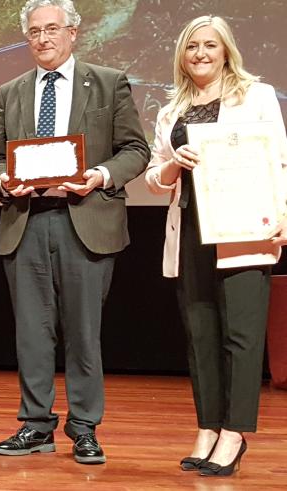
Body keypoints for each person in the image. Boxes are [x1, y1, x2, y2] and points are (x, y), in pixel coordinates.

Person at [0, 0, 149, 465]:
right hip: (27, 221)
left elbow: (135, 149)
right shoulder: (10, 91)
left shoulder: (107, 82)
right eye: (35, 31)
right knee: (32, 334)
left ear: (74, 32)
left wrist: (98, 174)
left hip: (86, 218)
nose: (43, 38)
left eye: (52, 28)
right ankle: (36, 425)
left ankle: (84, 428)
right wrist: (3, 181)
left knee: (83, 333)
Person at [144, 15, 287, 477]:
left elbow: (279, 157)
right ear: (181, 56)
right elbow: (153, 173)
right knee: (200, 332)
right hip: (189, 226)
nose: (200, 53)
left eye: (209, 45)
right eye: (191, 47)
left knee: (241, 335)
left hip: (243, 225)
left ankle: (235, 431)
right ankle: (207, 426)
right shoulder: (172, 110)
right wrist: (172, 167)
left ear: (226, 50)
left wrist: (284, 215)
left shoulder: (257, 95)